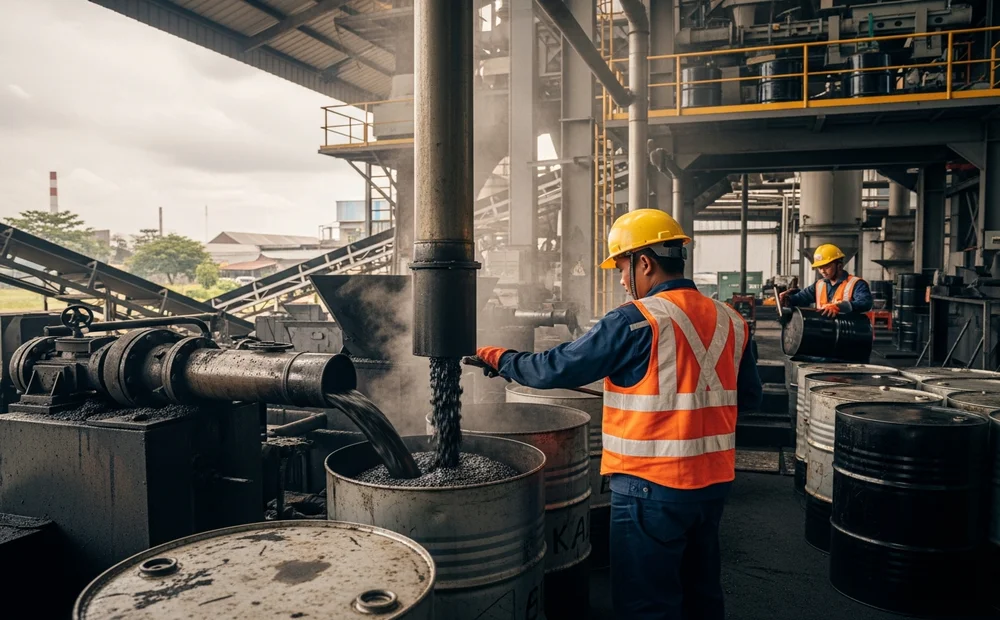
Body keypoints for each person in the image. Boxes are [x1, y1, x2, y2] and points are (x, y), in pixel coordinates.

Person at [472, 209, 762, 620]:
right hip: (713, 484)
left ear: (645, 262)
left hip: (649, 486)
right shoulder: (734, 321)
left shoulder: (635, 322)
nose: (623, 282)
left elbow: (555, 369)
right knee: (701, 596)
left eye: (623, 268)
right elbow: (748, 398)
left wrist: (501, 358)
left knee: (646, 604)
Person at [779, 244, 872, 317]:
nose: (822, 271)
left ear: (839, 266)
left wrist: (839, 307)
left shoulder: (856, 284)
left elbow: (865, 303)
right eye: (820, 267)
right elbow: (801, 298)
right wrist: (787, 299)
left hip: (848, 335)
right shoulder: (819, 285)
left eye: (827, 266)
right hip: (825, 335)